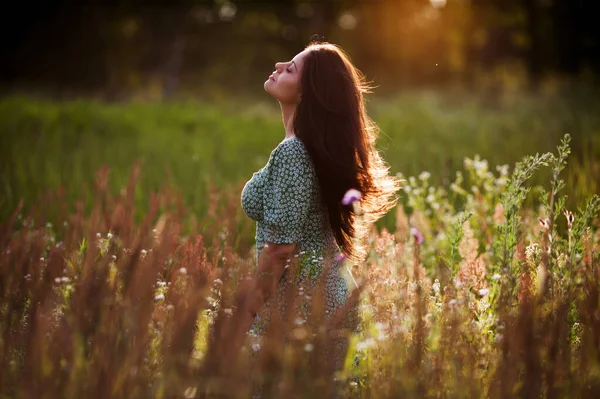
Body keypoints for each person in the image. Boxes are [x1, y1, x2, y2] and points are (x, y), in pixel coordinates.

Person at [238, 41, 401, 375]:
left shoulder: (294, 154)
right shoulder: (307, 149)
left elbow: (280, 250)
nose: (280, 63)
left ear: (307, 94)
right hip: (323, 303)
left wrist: (242, 318)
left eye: (292, 67)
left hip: (302, 310)